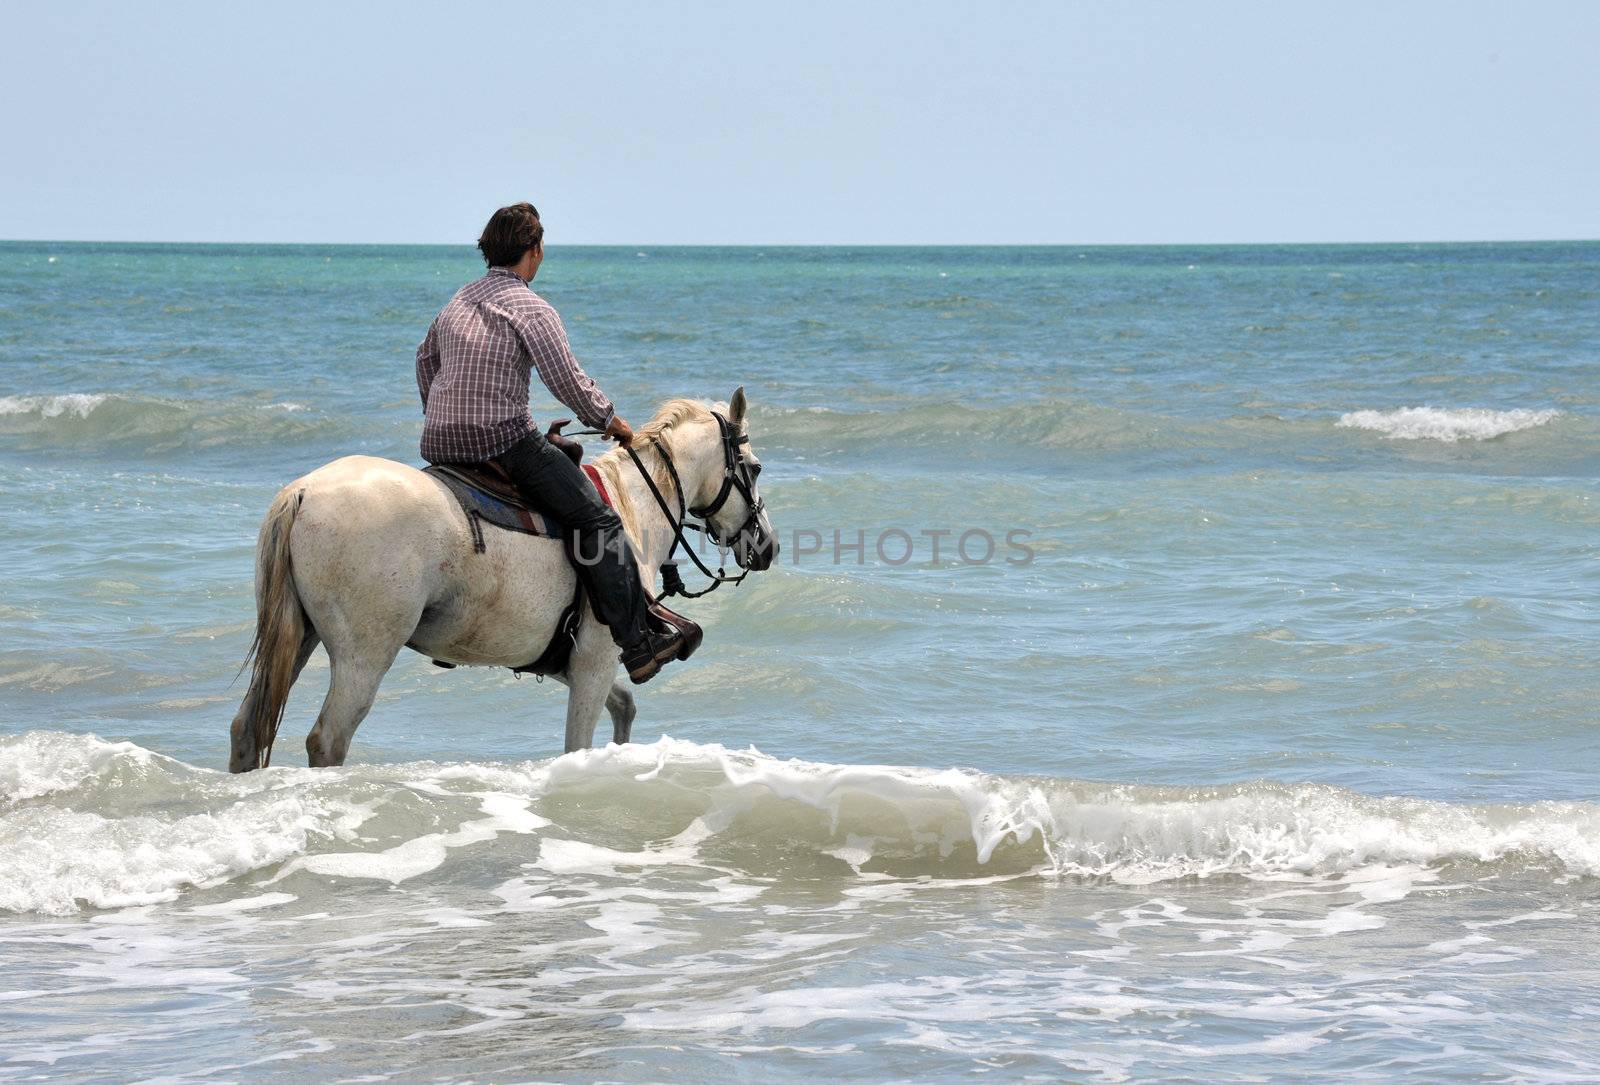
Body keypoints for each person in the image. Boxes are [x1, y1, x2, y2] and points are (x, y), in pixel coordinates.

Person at [415, 202, 686, 683]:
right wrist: (611, 421)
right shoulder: (530, 307)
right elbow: (565, 378)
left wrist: (439, 415)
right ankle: (639, 644)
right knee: (599, 520)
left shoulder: (457, 300)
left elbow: (424, 360)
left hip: (439, 445)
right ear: (534, 250)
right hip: (502, 441)